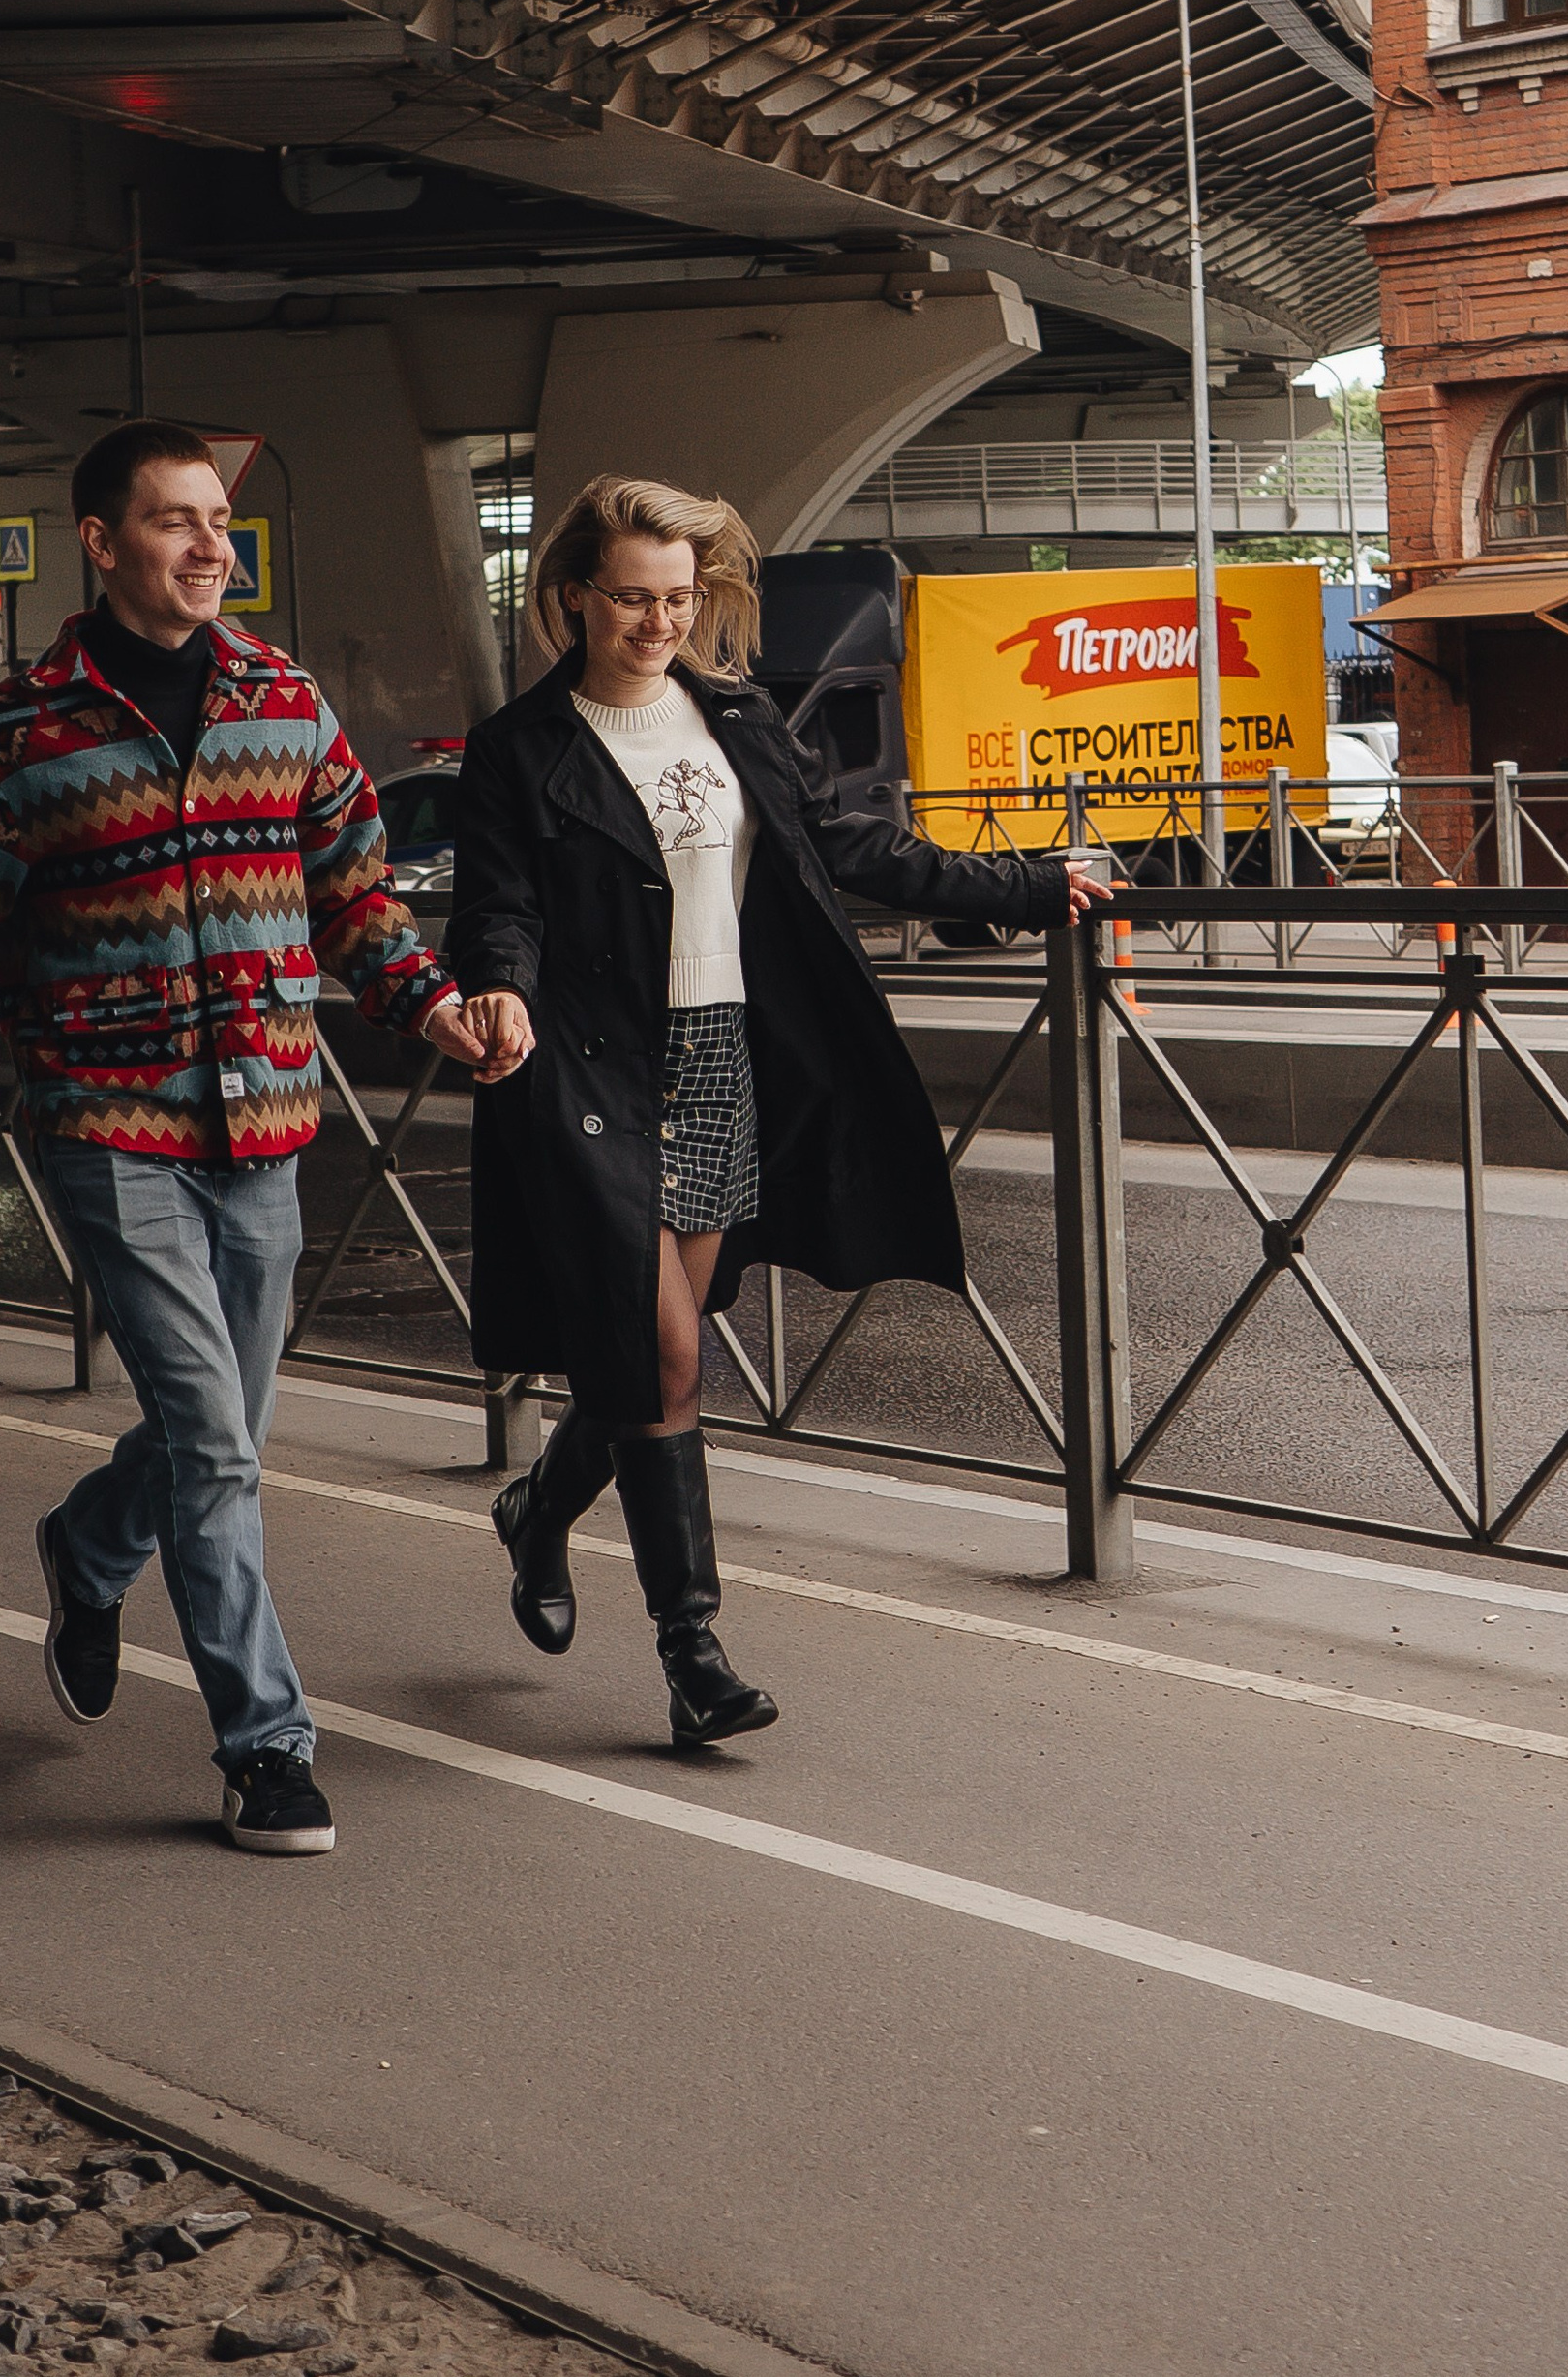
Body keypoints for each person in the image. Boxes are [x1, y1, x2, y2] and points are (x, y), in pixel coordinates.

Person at [0, 420, 483, 1858]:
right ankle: (268, 1749)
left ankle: (91, 1545)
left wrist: (426, 1007)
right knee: (216, 1445)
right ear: (102, 544)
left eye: (217, 525)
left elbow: (359, 891)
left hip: (269, 1115)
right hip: (111, 1126)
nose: (205, 547)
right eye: (172, 522)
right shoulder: (16, 732)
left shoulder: (282, 702)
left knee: (223, 1429)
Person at [450, 472, 1101, 1750]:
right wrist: (500, 992)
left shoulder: (738, 718)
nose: (658, 624)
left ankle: (539, 1509)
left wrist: (1034, 886)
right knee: (671, 1355)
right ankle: (693, 1653)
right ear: (574, 595)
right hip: (591, 1071)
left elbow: (853, 850)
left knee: (657, 1352)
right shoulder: (519, 749)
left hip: (725, 1056)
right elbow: (498, 905)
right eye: (632, 599)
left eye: (681, 599)